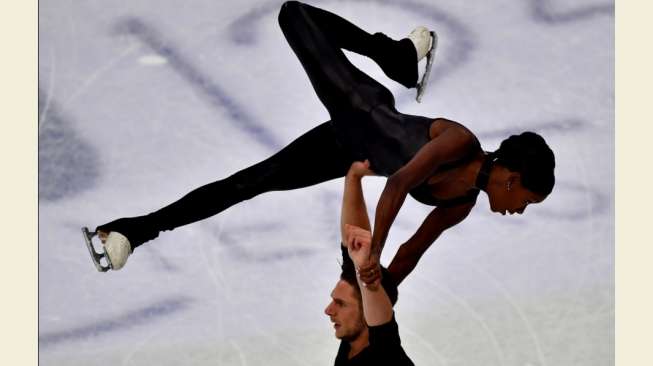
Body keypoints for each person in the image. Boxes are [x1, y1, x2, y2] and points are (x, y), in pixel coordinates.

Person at [85, 1, 555, 282]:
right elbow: (397, 187)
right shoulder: (460, 142)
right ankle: (394, 54)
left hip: (350, 150)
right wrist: (372, 254)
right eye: (527, 200)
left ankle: (132, 230)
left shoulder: (461, 203)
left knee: (248, 183)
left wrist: (381, 287)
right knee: (294, 13)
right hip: (360, 106)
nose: (520, 210)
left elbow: (413, 250)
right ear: (512, 179)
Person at [325, 160, 412, 365]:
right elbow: (354, 238)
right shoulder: (352, 343)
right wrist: (354, 177)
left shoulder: (384, 354)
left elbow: (380, 320)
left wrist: (365, 271)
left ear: (368, 313)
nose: (328, 310)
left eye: (341, 304)